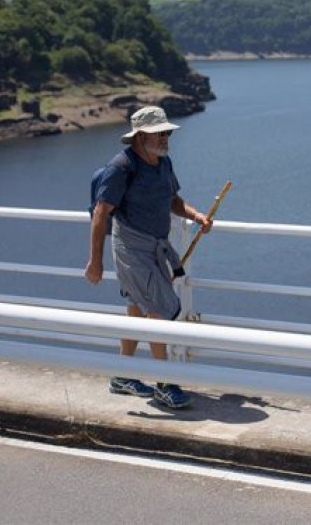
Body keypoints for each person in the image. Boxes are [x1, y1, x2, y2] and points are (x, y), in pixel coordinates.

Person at [85, 105, 213, 409]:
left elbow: (172, 199)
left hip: (155, 246)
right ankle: (165, 383)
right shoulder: (121, 167)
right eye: (161, 132)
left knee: (137, 308)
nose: (167, 137)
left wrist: (196, 216)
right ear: (141, 136)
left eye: (167, 132)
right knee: (159, 307)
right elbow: (101, 215)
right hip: (131, 248)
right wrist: (96, 261)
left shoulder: (163, 164)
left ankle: (121, 375)